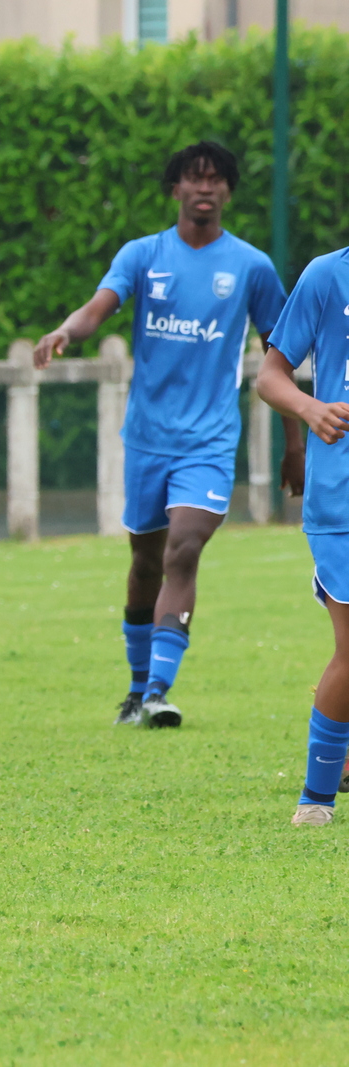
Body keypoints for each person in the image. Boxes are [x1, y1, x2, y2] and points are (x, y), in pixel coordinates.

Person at [32, 141, 289, 729]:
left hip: (210, 440)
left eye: (216, 179)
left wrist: (293, 445)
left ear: (228, 192)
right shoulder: (144, 254)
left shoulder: (251, 267)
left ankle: (157, 692)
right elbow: (100, 306)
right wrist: (66, 331)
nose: (205, 187)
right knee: (146, 562)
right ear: (175, 188)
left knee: (184, 549)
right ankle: (135, 688)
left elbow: (280, 356)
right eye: (194, 178)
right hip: (148, 439)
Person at [258, 247, 349, 825]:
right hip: (342, 497)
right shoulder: (327, 275)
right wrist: (310, 409)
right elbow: (270, 376)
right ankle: (315, 800)